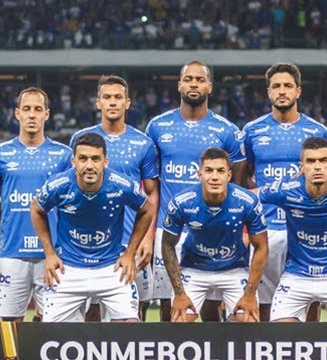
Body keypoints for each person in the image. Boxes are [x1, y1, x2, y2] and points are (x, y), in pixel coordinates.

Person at [144, 61, 246, 321]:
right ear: (179, 85)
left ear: (209, 86)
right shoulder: (157, 127)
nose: (193, 84)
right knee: (170, 305)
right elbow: (150, 188)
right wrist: (148, 234)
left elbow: (238, 184)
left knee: (213, 306)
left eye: (200, 80)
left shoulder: (227, 131)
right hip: (169, 232)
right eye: (188, 79)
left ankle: (215, 359)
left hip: (213, 230)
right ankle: (171, 358)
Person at [29, 132, 153, 322]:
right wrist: (50, 254)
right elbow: (36, 209)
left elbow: (147, 209)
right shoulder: (59, 185)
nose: (89, 165)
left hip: (111, 268)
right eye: (83, 159)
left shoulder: (121, 185)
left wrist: (129, 253)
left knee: (131, 326)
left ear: (105, 162)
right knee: (50, 336)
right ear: (73, 162)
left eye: (95, 159)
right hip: (67, 268)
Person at [240, 62, 327, 321]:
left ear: (298, 91)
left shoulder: (317, 132)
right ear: (268, 92)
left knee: (310, 299)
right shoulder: (252, 131)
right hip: (264, 229)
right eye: (276, 86)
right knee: (265, 301)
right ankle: (269, 356)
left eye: (288, 86)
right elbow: (243, 181)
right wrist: (244, 228)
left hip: (303, 227)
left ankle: (308, 355)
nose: (282, 91)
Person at [0, 87, 72, 322]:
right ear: (17, 114)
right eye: (27, 109)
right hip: (11, 254)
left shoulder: (64, 155)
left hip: (52, 255)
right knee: (10, 328)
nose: (32, 115)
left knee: (55, 327)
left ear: (47, 115)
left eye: (38, 109)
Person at [71, 76, 159, 321]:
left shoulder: (143, 143)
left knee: (135, 310)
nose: (112, 102)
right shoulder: (81, 140)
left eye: (118, 97)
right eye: (107, 97)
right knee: (91, 312)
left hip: (132, 240)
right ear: (98, 103)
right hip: (89, 243)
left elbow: (152, 193)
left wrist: (148, 238)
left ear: (127, 103)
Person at [258, 136, 327, 322]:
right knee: (278, 334)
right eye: (310, 161)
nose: (317, 166)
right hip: (296, 276)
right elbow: (248, 197)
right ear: (301, 166)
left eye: (322, 160)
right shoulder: (286, 190)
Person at [163, 148, 269, 322]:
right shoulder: (181, 202)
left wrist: (250, 294)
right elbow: (167, 245)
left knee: (248, 320)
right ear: (199, 174)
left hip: (234, 269)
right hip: (194, 267)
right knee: (180, 321)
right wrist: (179, 293)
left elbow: (261, 246)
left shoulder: (247, 202)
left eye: (220, 171)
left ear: (229, 175)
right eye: (209, 170)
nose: (214, 177)